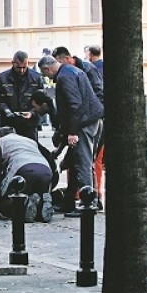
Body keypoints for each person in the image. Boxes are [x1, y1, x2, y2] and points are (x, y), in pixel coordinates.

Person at [36, 54, 104, 216]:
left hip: (83, 124)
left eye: (45, 74)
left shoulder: (64, 78)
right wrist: (59, 150)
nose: (48, 78)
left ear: (48, 68)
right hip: (93, 119)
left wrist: (72, 132)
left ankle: (88, 203)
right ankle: (89, 199)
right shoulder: (73, 71)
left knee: (83, 163)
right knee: (85, 162)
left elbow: (74, 106)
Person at [0, 127, 56, 221]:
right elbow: (49, 156)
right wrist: (53, 180)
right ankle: (41, 204)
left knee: (10, 201)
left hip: (23, 170)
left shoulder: (0, 142)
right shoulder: (30, 141)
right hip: (45, 171)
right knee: (38, 193)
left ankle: (24, 205)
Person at [0, 51, 44, 142]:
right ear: (13, 63)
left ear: (28, 63)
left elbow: (42, 102)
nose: (22, 70)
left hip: (29, 125)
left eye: (24, 67)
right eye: (18, 67)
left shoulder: (36, 78)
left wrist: (31, 113)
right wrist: (6, 111)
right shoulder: (3, 78)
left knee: (29, 151)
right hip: (8, 124)